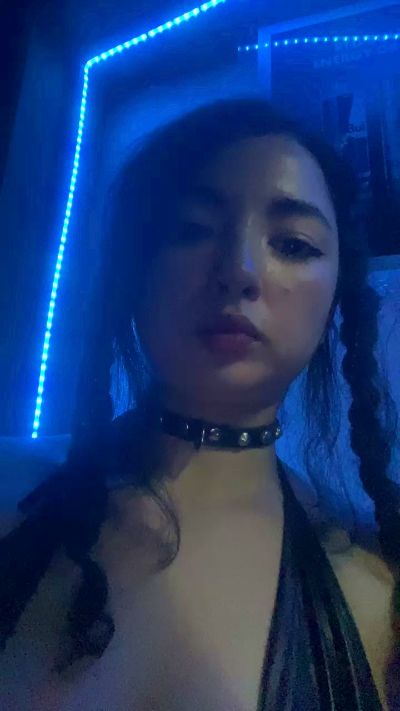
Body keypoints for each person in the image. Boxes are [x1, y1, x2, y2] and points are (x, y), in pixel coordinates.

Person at [0, 97, 399, 710]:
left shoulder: (375, 596)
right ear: (134, 270)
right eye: (189, 228)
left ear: (337, 296)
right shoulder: (10, 491)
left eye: (293, 244)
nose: (239, 270)